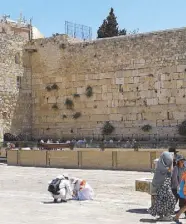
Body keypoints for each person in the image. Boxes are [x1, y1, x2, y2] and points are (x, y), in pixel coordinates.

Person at [148, 151, 176, 221]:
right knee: (170, 200)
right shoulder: (161, 168)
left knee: (163, 201)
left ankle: (164, 215)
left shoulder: (164, 167)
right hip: (163, 188)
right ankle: (165, 215)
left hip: (163, 188)